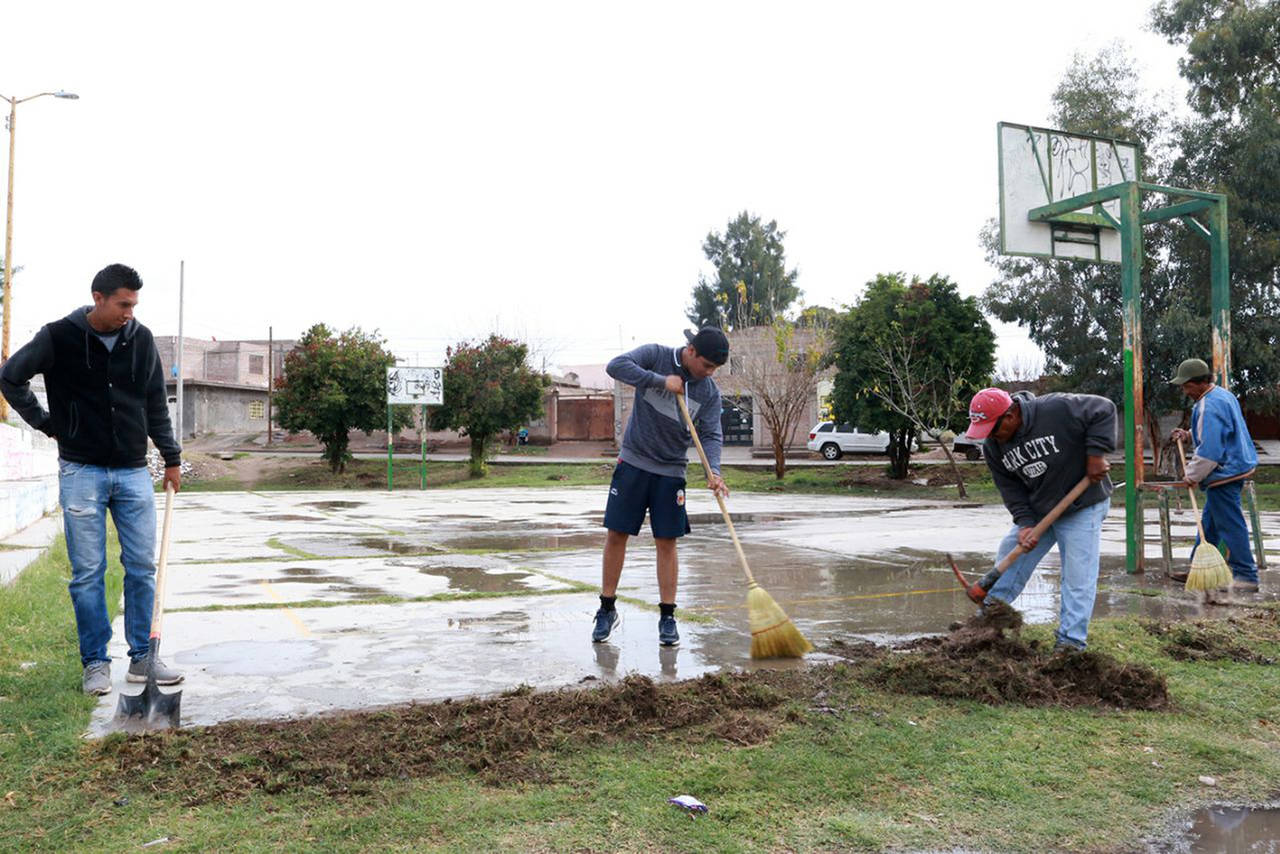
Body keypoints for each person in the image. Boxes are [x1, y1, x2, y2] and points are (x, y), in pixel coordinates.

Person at [0, 264, 184, 695]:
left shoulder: (141, 340)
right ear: (98, 298)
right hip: (81, 471)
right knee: (87, 572)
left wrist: (171, 457)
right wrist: (47, 424)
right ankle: (96, 663)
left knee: (142, 567)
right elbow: (10, 377)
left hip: (133, 472)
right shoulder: (58, 336)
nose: (129, 313)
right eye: (123, 304)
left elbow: (155, 403)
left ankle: (144, 657)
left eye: (134, 305)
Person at [592, 327, 729, 647]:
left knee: (667, 542)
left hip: (671, 472)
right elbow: (616, 366)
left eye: (715, 369)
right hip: (634, 463)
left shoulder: (709, 392)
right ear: (691, 351)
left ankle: (668, 617)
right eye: (707, 365)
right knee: (617, 534)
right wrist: (660, 381)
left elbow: (711, 434)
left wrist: (714, 470)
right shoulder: (656, 356)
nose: (710, 373)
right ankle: (607, 608)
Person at [964, 386, 1116, 651]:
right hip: (1040, 508)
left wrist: (1095, 454)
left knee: (1078, 575)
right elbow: (1010, 489)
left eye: (993, 429)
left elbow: (1104, 408)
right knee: (1010, 554)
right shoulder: (993, 447)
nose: (990, 437)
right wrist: (1025, 523)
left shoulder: (1056, 409)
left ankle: (1070, 643)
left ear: (1010, 415)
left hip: (1082, 503)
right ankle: (987, 622)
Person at [1167, 357, 1259, 592]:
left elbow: (1210, 451)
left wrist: (1192, 475)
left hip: (1225, 472)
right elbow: (1215, 431)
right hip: (1235, 466)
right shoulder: (1222, 396)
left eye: (1187, 386)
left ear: (1199, 382)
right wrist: (1189, 435)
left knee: (1230, 524)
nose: (1185, 391)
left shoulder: (1209, 405)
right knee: (1209, 524)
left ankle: (1246, 575)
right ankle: (1198, 569)